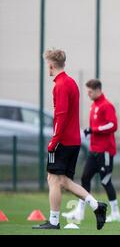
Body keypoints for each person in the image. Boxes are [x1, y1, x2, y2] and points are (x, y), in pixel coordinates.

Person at [33, 49, 107, 230]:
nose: (47, 68)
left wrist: (53, 141)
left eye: (47, 65)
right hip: (73, 140)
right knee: (64, 181)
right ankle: (97, 206)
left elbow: (61, 115)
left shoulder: (60, 85)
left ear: (51, 65)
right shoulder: (71, 82)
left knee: (52, 179)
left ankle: (54, 221)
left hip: (63, 141)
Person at [62, 79, 120, 223]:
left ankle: (115, 213)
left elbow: (113, 125)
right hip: (94, 150)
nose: (88, 94)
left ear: (98, 90)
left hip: (105, 151)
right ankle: (79, 212)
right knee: (85, 178)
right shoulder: (94, 105)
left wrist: (93, 130)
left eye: (90, 91)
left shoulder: (106, 105)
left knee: (105, 180)